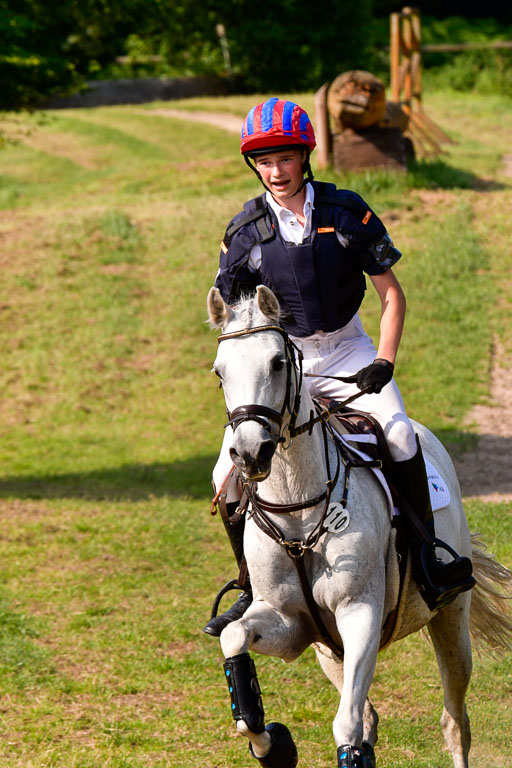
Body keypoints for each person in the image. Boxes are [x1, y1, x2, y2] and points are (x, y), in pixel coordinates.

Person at [203, 97, 474, 637]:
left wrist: (384, 360)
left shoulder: (346, 212)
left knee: (400, 436)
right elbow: (232, 317)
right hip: (286, 364)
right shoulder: (245, 231)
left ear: (305, 157)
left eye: (285, 158)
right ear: (254, 166)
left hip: (350, 351)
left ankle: (428, 560)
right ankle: (251, 583)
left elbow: (391, 295)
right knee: (223, 476)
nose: (275, 171)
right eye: (264, 162)